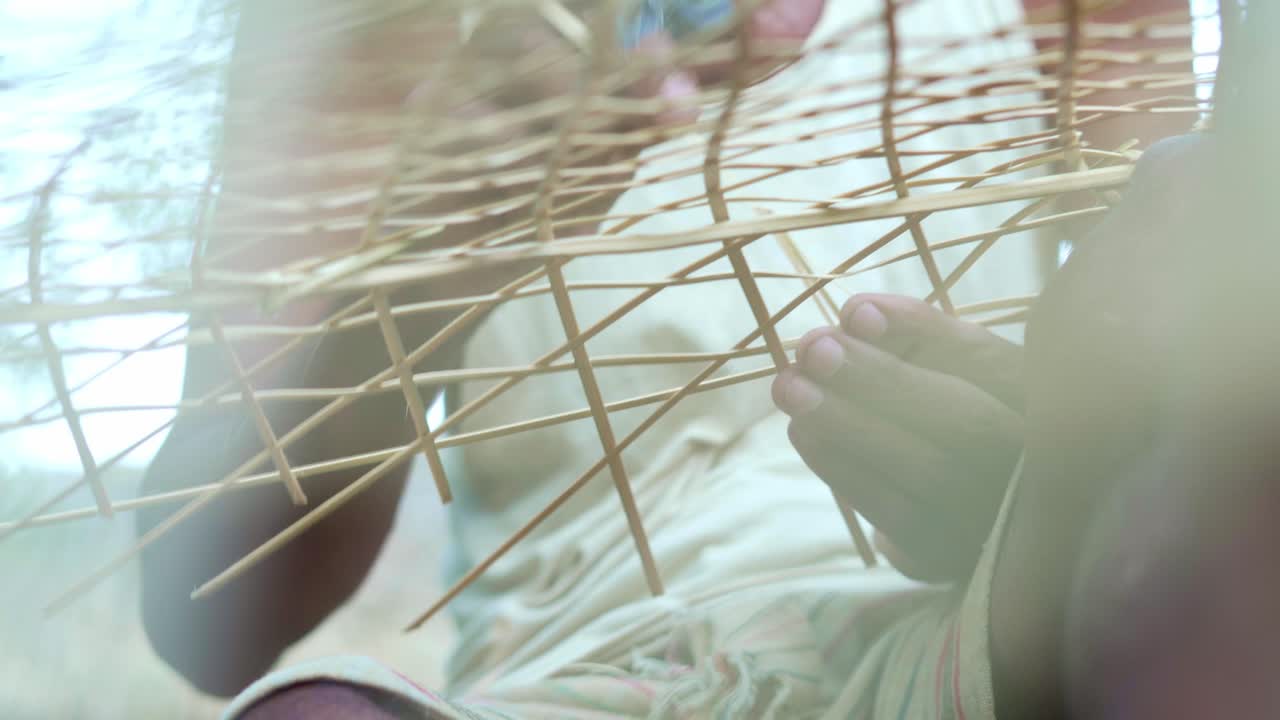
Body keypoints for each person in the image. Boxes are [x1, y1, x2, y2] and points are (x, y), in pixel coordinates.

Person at [133, 1, 1237, 718]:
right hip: (586, 673)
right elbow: (202, 605)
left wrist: (1026, 474)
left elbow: (1168, 385)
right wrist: (425, 278)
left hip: (962, 622)